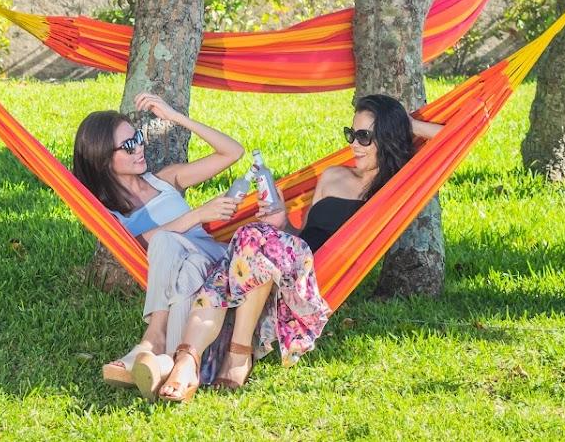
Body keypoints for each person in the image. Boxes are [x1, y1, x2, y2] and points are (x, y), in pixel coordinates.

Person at [151, 93, 442, 402]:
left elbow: (450, 141)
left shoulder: (395, 185)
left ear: (387, 137)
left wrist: (405, 122)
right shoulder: (333, 175)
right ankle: (214, 355)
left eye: (364, 136)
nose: (353, 144)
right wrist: (282, 223)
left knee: (253, 241)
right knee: (256, 236)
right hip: (286, 258)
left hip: (315, 275)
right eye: (351, 134)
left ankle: (199, 357)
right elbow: (301, 235)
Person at [71, 93, 243, 393]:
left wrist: (175, 117)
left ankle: (152, 339)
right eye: (127, 145)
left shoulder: (166, 180)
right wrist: (198, 214)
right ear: (102, 159)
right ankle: (170, 366)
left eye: (137, 137)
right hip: (192, 271)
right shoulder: (110, 215)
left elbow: (233, 152)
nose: (139, 147)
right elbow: (141, 244)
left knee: (167, 240)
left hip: (217, 261)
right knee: (185, 268)